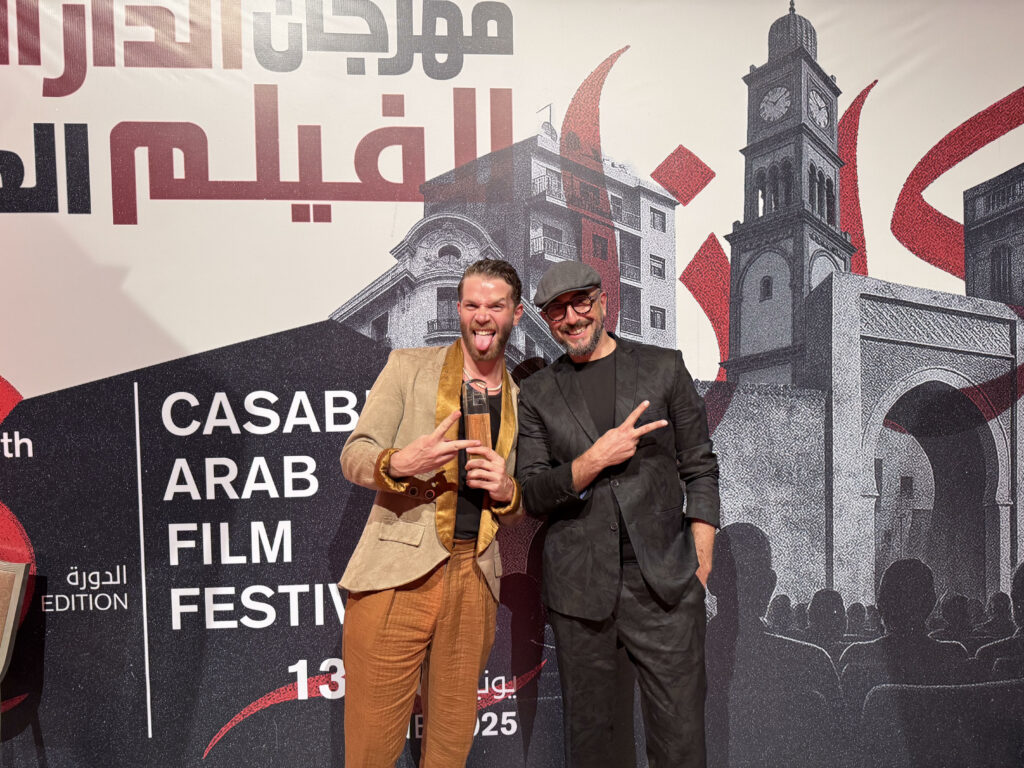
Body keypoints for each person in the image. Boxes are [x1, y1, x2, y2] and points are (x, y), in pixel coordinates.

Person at [516, 262, 719, 768]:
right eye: (556, 310)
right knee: (594, 751)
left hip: (666, 586)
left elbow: (700, 464)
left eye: (580, 302)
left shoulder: (664, 367)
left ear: (603, 300)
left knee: (681, 745)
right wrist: (592, 460)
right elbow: (533, 493)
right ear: (546, 320)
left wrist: (701, 559)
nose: (571, 317)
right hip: (580, 592)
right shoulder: (538, 393)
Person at [339, 258, 525, 767]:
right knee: (371, 752)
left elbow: (515, 508)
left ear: (516, 314)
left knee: (449, 750)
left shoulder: (519, 398)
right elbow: (355, 454)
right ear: (459, 309)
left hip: (475, 578)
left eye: (495, 306)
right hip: (396, 574)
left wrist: (507, 490)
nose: (482, 316)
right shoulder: (407, 366)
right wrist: (400, 462)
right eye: (471, 304)